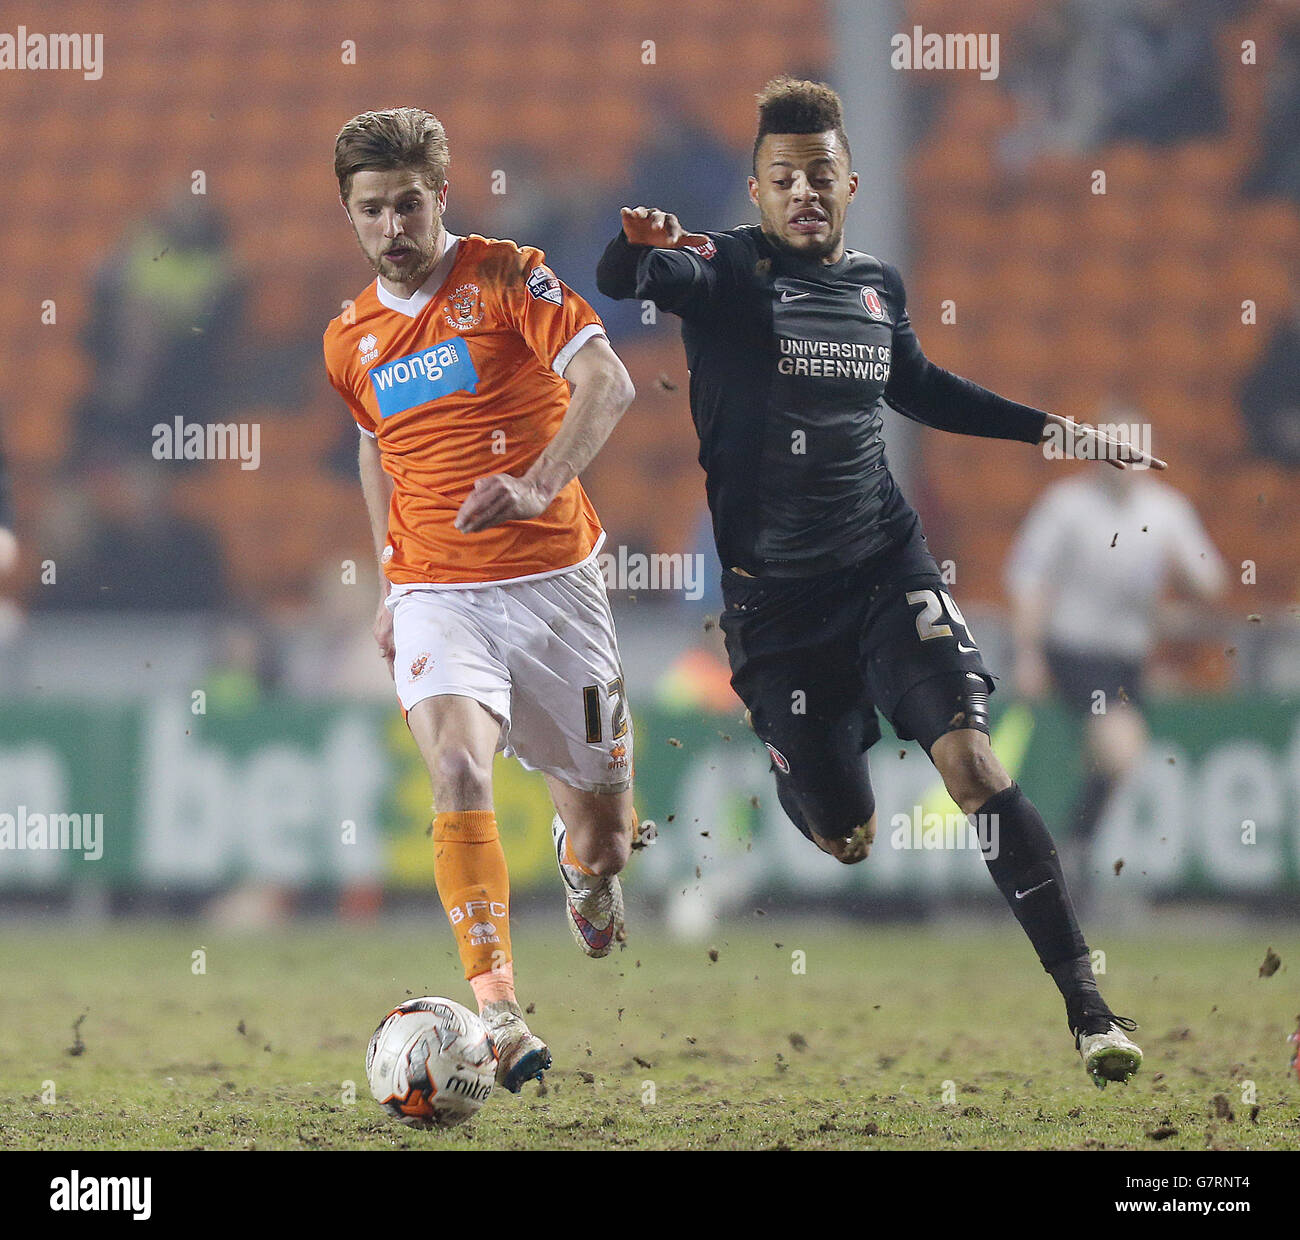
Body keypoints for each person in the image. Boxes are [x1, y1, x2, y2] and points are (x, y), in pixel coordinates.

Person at [596, 77, 1164, 1088]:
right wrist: (637, 249)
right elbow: (630, 275)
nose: (803, 192)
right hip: (776, 608)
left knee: (973, 765)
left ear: (849, 183)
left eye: (820, 174)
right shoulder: (724, 269)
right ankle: (820, 751)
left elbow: (922, 387)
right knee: (844, 835)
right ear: (757, 191)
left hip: (883, 568)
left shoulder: (876, 289)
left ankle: (1090, 1010)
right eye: (783, 178)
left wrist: (1058, 431)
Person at [324, 108, 637, 1093]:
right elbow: (375, 447)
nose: (392, 226)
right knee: (458, 768)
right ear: (350, 214)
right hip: (437, 589)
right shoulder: (347, 338)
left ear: (440, 197)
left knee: (607, 839)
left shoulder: (508, 276)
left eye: (408, 204)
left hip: (555, 587)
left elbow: (608, 381)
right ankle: (498, 1011)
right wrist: (389, 581)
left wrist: (539, 484)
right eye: (372, 210)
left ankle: (583, 868)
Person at [1007, 434, 1228, 908]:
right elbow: (1028, 577)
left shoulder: (1165, 509)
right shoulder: (1066, 505)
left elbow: (1212, 580)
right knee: (1121, 749)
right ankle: (1071, 850)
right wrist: (1028, 653)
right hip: (1075, 650)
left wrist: (1184, 578)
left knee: (1112, 760)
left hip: (1130, 660)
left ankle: (1066, 855)